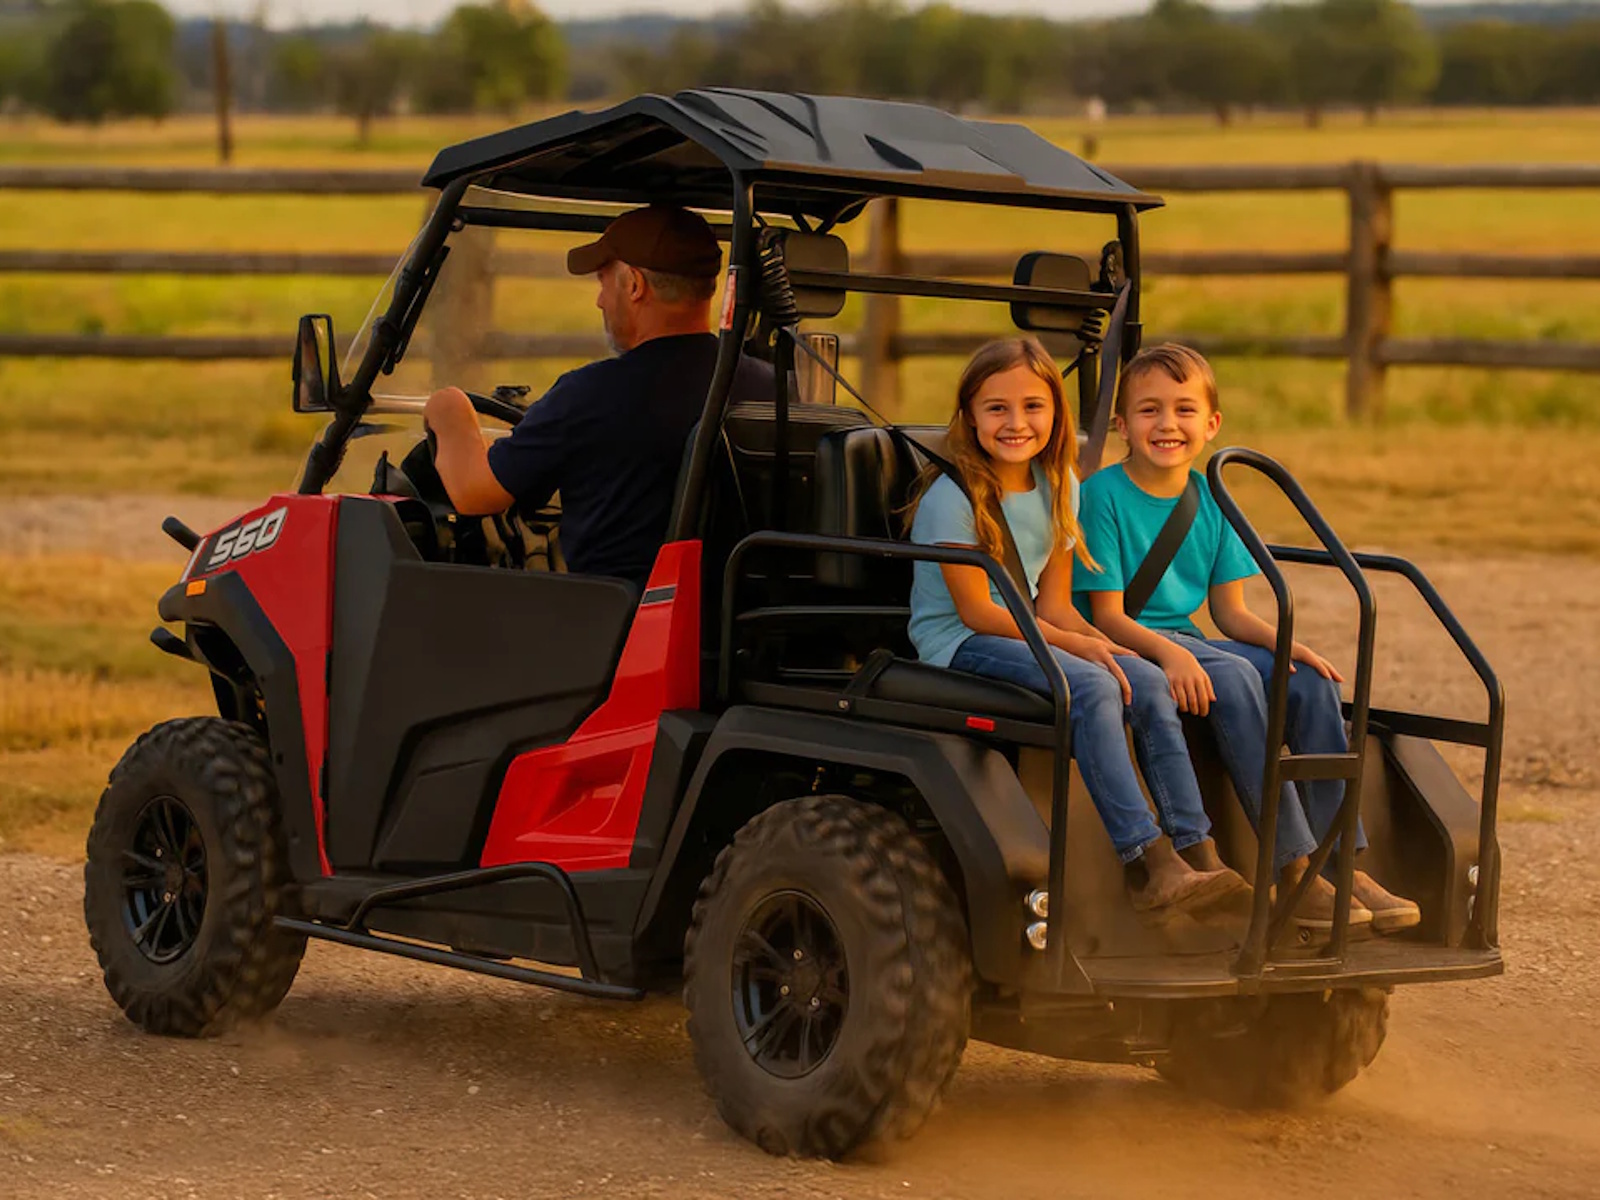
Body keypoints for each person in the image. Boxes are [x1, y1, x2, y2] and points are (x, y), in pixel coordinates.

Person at [1073, 342, 1421, 935]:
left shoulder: (1210, 499)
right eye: (1149, 410)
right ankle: (1294, 868)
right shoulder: (1102, 496)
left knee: (1306, 682)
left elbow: (1229, 613)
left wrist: (1286, 646)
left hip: (1187, 638)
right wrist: (1172, 654)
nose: (1167, 424)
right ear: (1123, 425)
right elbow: (1106, 616)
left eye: (1184, 410)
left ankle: (1341, 863)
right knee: (1233, 674)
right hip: (1132, 642)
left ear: (1211, 425)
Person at [908, 337, 1250, 917]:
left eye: (1032, 407)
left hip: (1027, 630)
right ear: (969, 416)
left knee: (1143, 677)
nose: (1016, 423)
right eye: (996, 408)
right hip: (961, 642)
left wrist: (1111, 646)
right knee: (1090, 685)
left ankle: (1197, 849)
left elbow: (1056, 606)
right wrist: (1080, 649)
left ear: (1056, 414)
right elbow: (977, 613)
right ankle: (1148, 862)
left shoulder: (1060, 486)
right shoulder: (953, 497)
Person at [424, 204, 771, 590]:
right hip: (746, 618)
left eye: (604, 282)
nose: (600, 301)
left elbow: (474, 493)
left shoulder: (590, 394)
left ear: (634, 285)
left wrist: (448, 408)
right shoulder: (773, 388)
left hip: (618, 618)